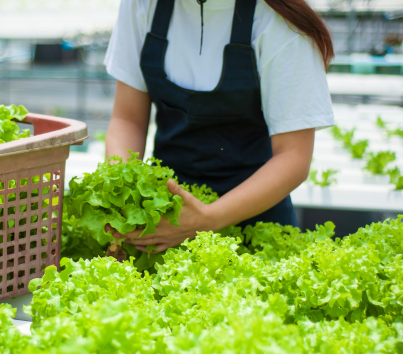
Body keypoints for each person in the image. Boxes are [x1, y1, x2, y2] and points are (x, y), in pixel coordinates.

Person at [103, 0, 335, 253]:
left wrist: (206, 219)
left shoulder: (280, 20)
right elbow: (128, 119)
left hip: (256, 224)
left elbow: (293, 156)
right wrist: (123, 193)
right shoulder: (142, 4)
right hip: (164, 219)